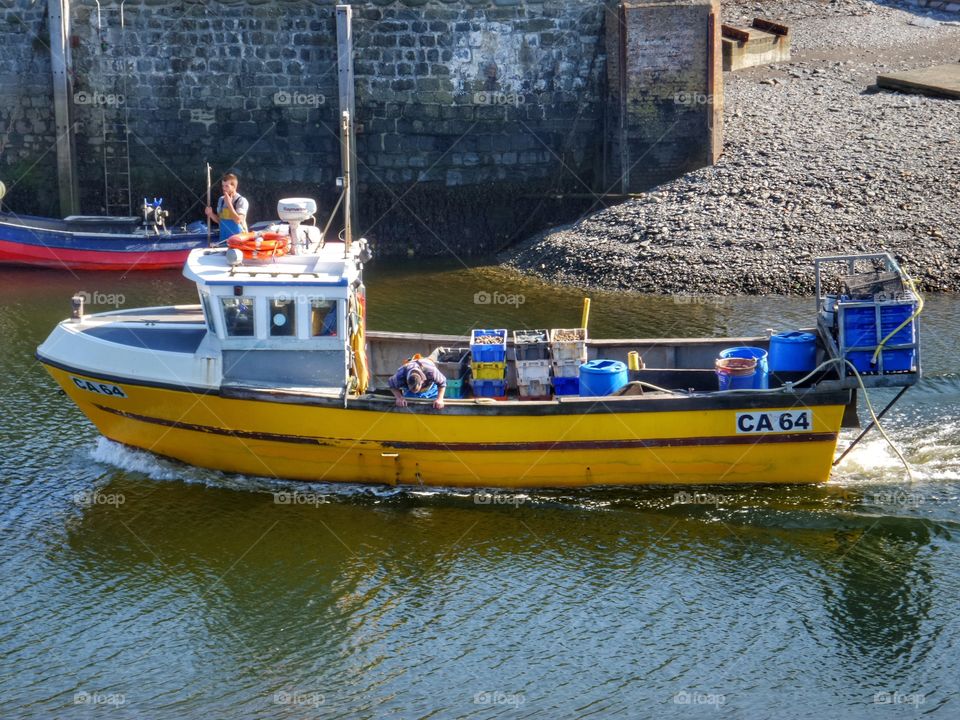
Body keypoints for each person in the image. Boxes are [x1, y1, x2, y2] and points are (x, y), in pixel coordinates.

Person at [204, 172, 249, 243]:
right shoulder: (221, 200)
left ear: (234, 187)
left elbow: (238, 221)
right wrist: (210, 214)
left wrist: (229, 204)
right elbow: (219, 220)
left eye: (226, 186)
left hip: (240, 242)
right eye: (223, 186)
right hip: (223, 240)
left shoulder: (241, 200)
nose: (224, 189)